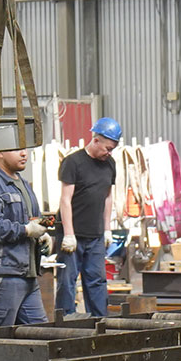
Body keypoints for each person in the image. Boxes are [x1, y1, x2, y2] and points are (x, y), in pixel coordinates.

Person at [0, 147, 50, 328]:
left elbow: (32, 219)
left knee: (40, 334)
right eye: (16, 149)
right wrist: (26, 230)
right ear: (0, 152)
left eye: (24, 149)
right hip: (1, 277)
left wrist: (41, 234)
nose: (24, 154)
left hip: (26, 274)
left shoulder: (23, 185)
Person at [57, 117, 121, 317]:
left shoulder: (110, 164)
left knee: (97, 281)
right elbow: (65, 200)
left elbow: (108, 198)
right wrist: (69, 234)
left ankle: (99, 322)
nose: (109, 153)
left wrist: (107, 229)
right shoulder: (73, 162)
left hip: (95, 236)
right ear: (95, 140)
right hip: (73, 235)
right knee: (67, 281)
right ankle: (66, 322)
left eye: (112, 149)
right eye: (107, 148)